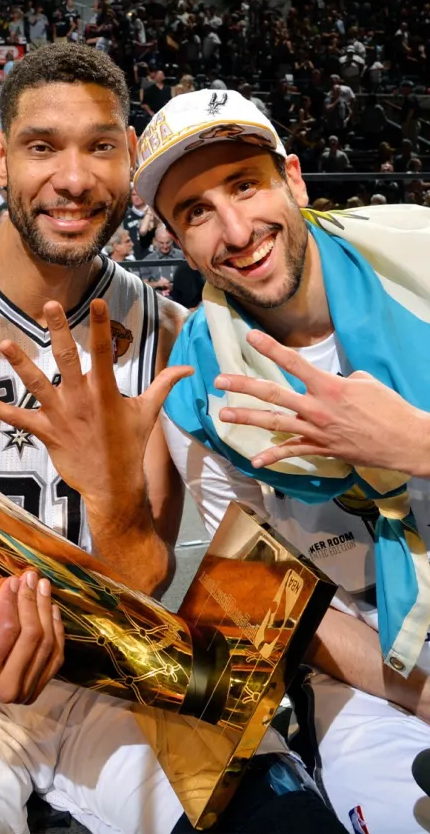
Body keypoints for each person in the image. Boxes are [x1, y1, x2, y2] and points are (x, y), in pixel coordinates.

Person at [0, 47, 331, 834]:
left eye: (98, 147)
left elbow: (145, 579)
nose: (73, 178)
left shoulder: (168, 332)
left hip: (118, 671)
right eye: (42, 147)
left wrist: (113, 498)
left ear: (129, 156)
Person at [134, 87, 430, 833]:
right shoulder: (196, 391)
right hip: (372, 671)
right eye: (197, 212)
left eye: (245, 185)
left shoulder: (420, 259)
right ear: (178, 242)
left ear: (293, 179)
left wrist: (416, 446)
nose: (236, 232)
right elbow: (279, 596)